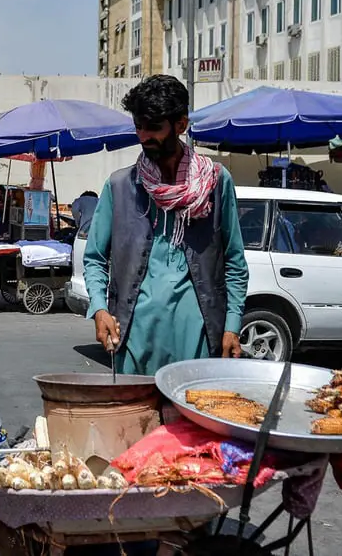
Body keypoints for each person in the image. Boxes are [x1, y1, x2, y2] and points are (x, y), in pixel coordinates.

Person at [84, 75, 249, 376]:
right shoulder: (121, 186)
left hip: (199, 339)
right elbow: (94, 259)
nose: (144, 136)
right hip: (133, 337)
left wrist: (232, 326)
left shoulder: (216, 182)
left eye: (153, 127)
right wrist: (99, 308)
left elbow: (235, 262)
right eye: (138, 126)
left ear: (180, 125)